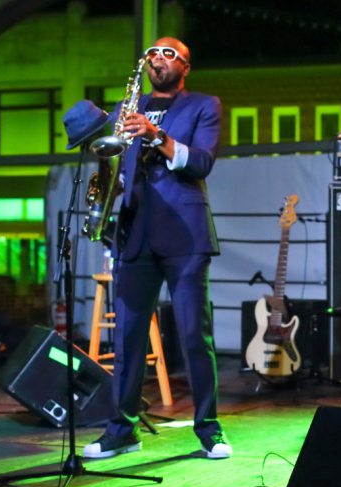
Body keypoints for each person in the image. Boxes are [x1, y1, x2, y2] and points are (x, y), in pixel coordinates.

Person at [82, 37, 231, 459]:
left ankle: (209, 430)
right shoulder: (126, 109)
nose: (157, 59)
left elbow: (201, 163)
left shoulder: (204, 105)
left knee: (192, 335)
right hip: (133, 231)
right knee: (128, 336)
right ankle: (121, 430)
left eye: (168, 54)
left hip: (184, 235)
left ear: (186, 66)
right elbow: (111, 162)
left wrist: (156, 134)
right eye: (153, 53)